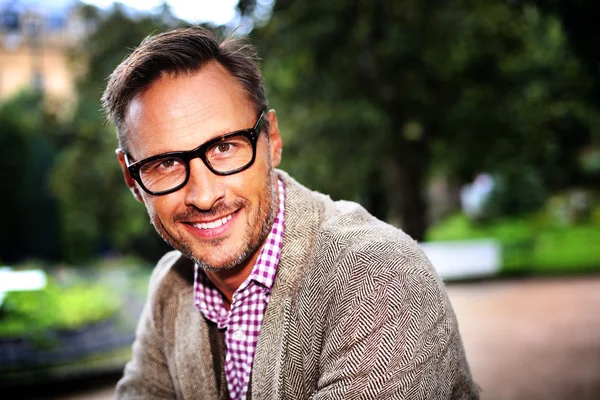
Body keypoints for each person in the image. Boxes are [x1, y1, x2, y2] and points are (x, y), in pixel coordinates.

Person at [102, 26, 479, 400]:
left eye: (224, 147)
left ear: (273, 140)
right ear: (131, 178)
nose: (203, 195)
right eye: (165, 163)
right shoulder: (170, 286)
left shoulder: (381, 273)